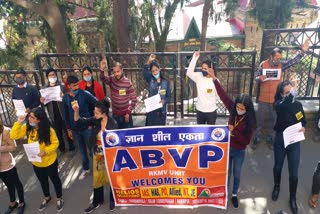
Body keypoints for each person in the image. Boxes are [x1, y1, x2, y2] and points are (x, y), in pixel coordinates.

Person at [207, 67, 256, 209]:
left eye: (242, 108)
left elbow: (246, 141)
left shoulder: (250, 121)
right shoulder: (233, 109)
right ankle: (225, 193)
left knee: (237, 174)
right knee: (226, 172)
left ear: (247, 108)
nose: (239, 109)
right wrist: (214, 79)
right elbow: (223, 95)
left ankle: (234, 194)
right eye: (238, 107)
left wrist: (234, 131)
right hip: (227, 148)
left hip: (240, 150)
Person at [251, 40, 310, 150]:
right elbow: (256, 78)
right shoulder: (263, 65)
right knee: (259, 120)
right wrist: (260, 78)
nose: (278, 60)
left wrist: (302, 52)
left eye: (280, 58)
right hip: (263, 99)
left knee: (274, 120)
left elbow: (293, 61)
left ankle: (270, 138)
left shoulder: (281, 65)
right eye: (277, 58)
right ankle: (257, 137)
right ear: (271, 57)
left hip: (275, 100)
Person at [10, 107, 64, 212]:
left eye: (32, 117)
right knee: (43, 181)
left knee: (55, 180)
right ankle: (47, 197)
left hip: (49, 162)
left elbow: (55, 143)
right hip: (36, 163)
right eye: (29, 116)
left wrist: (45, 151)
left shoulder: (49, 130)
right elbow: (13, 135)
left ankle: (59, 198)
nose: (29, 119)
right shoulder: (27, 127)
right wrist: (19, 122)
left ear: (39, 120)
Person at [73, 98, 117, 213]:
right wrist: (76, 111)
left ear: (104, 112)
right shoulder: (95, 120)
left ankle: (113, 200)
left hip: (109, 156)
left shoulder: (113, 123)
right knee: (97, 179)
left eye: (97, 112)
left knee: (111, 178)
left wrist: (105, 131)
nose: (94, 114)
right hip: (97, 156)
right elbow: (79, 122)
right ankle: (96, 201)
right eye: (94, 112)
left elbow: (116, 141)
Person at [271, 80, 306, 214]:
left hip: (294, 141)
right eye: (287, 92)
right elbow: (284, 107)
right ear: (281, 94)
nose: (291, 94)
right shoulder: (279, 104)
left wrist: (303, 127)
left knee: (294, 173)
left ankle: (292, 198)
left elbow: (302, 119)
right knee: (278, 166)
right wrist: (290, 94)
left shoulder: (297, 105)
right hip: (281, 140)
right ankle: (277, 187)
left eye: (291, 91)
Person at [63, 74, 97, 180]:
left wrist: (92, 121)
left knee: (92, 150)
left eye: (77, 84)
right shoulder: (66, 98)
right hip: (75, 130)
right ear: (69, 86)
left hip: (87, 128)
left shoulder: (85, 94)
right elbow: (66, 115)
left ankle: (97, 168)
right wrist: (68, 129)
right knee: (82, 152)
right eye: (74, 86)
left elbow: (97, 103)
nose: (76, 87)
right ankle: (86, 169)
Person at [40, 68, 75, 153]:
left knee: (67, 130)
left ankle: (71, 146)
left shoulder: (62, 86)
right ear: (47, 77)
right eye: (50, 75)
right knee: (57, 132)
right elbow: (43, 104)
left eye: (54, 75)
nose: (52, 76)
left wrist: (63, 96)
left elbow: (68, 99)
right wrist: (42, 101)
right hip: (53, 114)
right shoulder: (44, 88)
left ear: (56, 75)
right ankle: (62, 148)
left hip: (63, 113)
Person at [100, 59, 137, 129]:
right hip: (115, 115)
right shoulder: (111, 79)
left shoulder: (127, 83)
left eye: (118, 71)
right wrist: (102, 69)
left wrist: (128, 113)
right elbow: (103, 78)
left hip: (125, 116)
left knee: (127, 135)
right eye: (114, 72)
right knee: (116, 136)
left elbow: (134, 100)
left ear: (122, 71)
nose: (116, 74)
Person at [186, 51, 219, 125]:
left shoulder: (215, 80)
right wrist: (195, 58)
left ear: (211, 69)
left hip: (211, 111)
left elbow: (218, 96)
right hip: (200, 111)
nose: (203, 70)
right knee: (200, 131)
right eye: (202, 68)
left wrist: (209, 102)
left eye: (205, 68)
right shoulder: (199, 76)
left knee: (209, 132)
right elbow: (189, 73)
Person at [0, 120, 25, 214]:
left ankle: (22, 203)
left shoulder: (6, 131)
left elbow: (14, 147)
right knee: (8, 184)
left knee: (16, 183)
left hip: (7, 164)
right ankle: (13, 202)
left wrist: (2, 148)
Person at [143, 54, 171, 126]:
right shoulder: (150, 80)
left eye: (156, 70)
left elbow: (169, 97)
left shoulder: (165, 82)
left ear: (159, 69)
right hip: (152, 112)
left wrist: (164, 101)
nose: (155, 72)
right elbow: (145, 71)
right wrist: (149, 61)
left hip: (162, 112)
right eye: (153, 71)